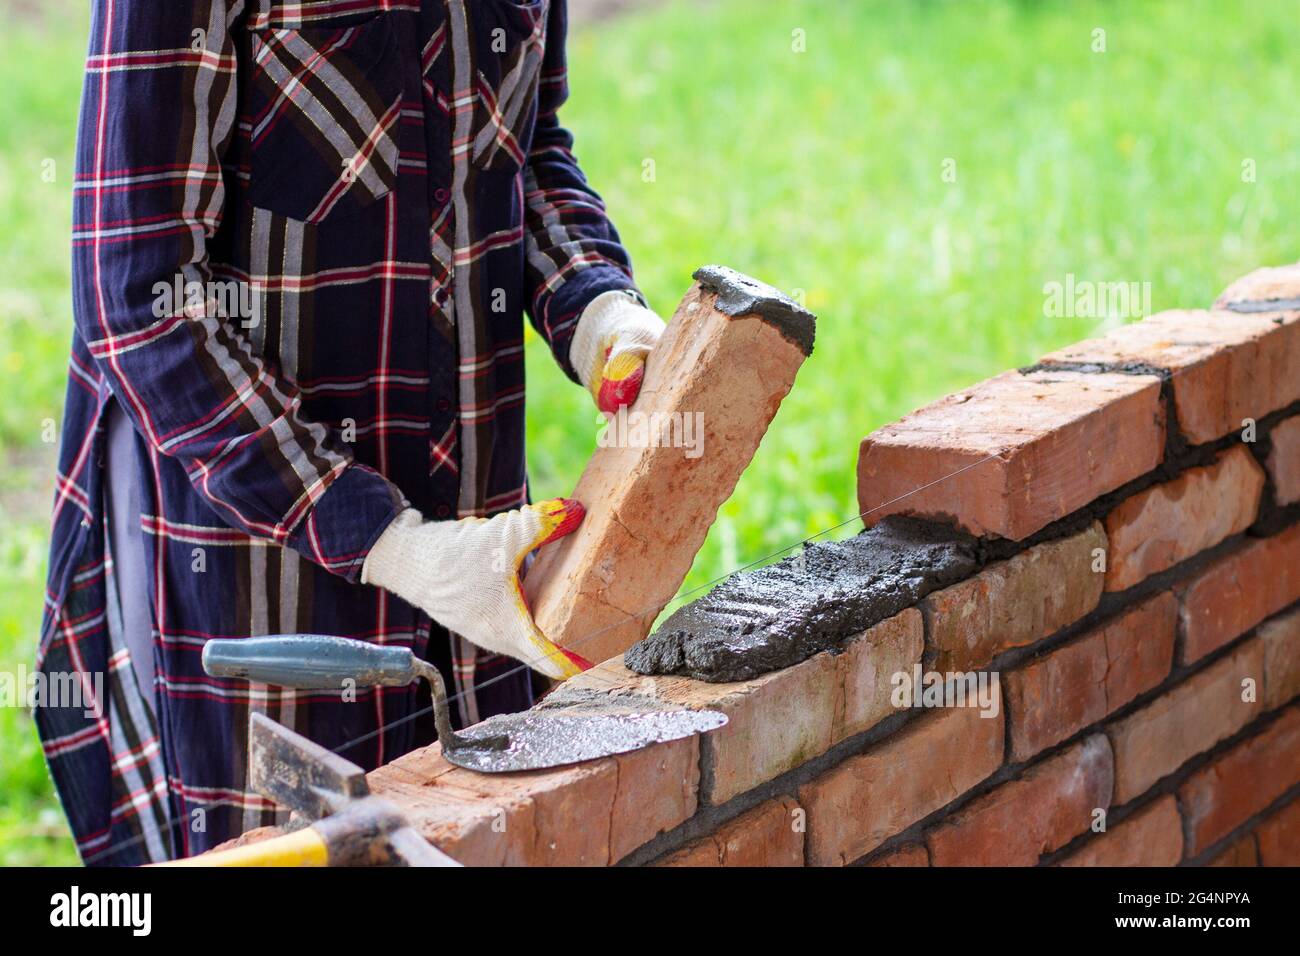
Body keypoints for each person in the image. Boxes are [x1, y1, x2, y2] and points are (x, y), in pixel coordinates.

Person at [36, 0, 663, 864]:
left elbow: (525, 148)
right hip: (252, 554)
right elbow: (139, 294)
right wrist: (393, 545)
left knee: (463, 833)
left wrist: (594, 306)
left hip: (474, 536)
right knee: (289, 846)